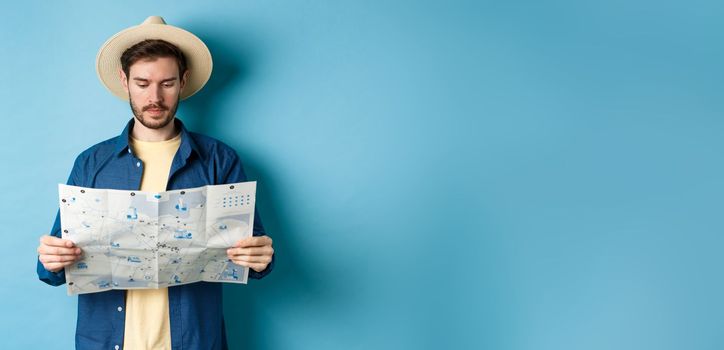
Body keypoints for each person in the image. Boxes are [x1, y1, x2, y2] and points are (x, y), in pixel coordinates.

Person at [35, 16, 275, 350]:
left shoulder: (220, 160)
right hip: (107, 341)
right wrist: (50, 258)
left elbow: (257, 258)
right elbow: (51, 270)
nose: (155, 97)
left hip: (193, 341)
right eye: (143, 82)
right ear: (125, 81)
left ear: (183, 81)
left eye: (167, 83)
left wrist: (261, 256)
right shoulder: (90, 163)